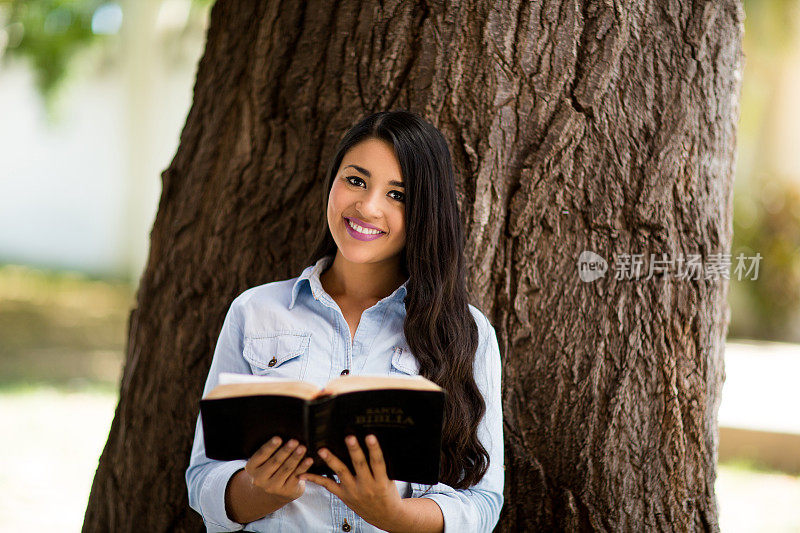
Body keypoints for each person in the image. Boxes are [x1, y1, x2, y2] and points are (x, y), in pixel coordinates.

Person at [185, 110, 504, 532]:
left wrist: (394, 515)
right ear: (333, 182)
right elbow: (203, 476)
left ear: (425, 211)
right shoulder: (254, 311)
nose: (368, 207)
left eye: (399, 195)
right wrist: (258, 492)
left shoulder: (466, 331)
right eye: (355, 181)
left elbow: (483, 502)